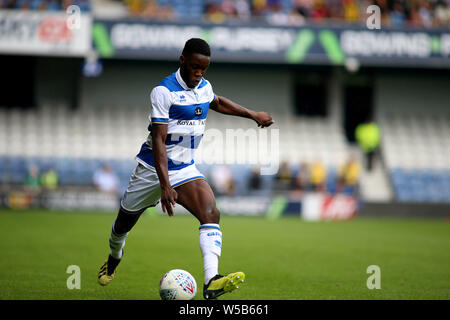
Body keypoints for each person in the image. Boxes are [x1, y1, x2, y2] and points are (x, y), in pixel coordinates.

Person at [97, 38, 274, 300]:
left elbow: (217, 102)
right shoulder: (163, 91)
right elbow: (158, 139)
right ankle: (114, 258)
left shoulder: (203, 86)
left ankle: (211, 281)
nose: (199, 73)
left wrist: (252, 114)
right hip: (151, 170)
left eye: (203, 68)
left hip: (185, 168)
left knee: (211, 213)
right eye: (194, 67)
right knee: (122, 225)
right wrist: (165, 186)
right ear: (182, 60)